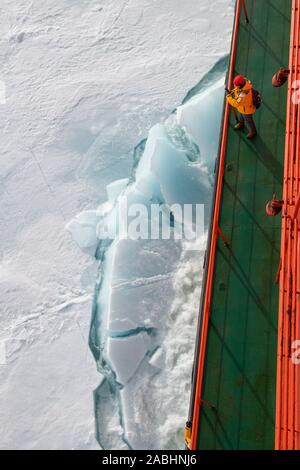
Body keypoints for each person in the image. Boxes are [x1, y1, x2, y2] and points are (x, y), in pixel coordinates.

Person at [226, 75, 257, 140]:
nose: (234, 86)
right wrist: (233, 92)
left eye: (235, 85)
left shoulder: (243, 95)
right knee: (241, 116)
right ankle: (241, 124)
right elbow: (237, 90)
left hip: (246, 110)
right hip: (242, 108)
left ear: (240, 86)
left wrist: (228, 96)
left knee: (249, 121)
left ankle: (253, 131)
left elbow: (235, 103)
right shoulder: (245, 82)